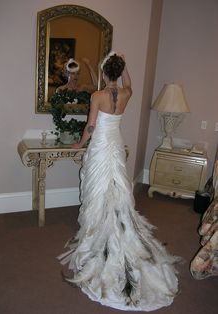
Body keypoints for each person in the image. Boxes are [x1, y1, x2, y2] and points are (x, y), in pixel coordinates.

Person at [57, 52, 181, 311]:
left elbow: (91, 126)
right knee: (114, 187)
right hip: (114, 144)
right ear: (119, 72)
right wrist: (124, 64)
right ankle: (114, 229)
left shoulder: (97, 96)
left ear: (103, 73)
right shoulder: (126, 94)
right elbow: (130, 83)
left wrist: (80, 144)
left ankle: (97, 236)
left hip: (101, 146)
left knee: (99, 188)